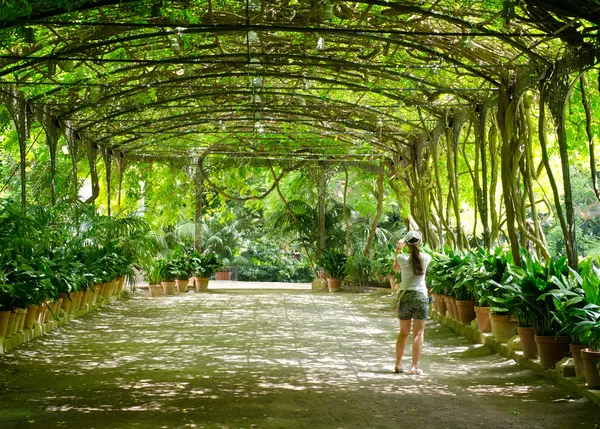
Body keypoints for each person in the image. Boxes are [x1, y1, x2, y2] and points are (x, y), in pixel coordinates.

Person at [392, 230, 432, 375]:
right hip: (421, 296)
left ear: (406, 243)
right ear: (420, 242)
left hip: (406, 297)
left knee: (403, 333)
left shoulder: (402, 258)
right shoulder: (427, 257)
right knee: (418, 333)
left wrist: (398, 249)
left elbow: (395, 268)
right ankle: (414, 367)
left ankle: (398, 364)